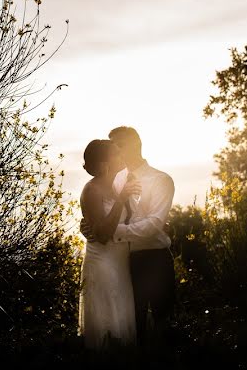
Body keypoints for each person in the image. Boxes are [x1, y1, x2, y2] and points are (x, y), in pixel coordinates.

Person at [81, 126, 176, 347]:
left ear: (137, 145)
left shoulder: (160, 179)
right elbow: (99, 212)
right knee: (131, 325)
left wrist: (112, 232)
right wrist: (88, 225)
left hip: (154, 258)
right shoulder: (113, 179)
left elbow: (153, 224)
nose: (115, 150)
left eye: (120, 145)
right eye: (113, 146)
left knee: (162, 324)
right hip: (123, 261)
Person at [78, 138, 142, 350]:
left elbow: (129, 218)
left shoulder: (117, 185)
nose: (121, 155)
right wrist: (121, 199)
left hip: (121, 262)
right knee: (109, 323)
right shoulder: (92, 190)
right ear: (105, 164)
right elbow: (103, 235)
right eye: (116, 153)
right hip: (103, 264)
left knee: (123, 320)